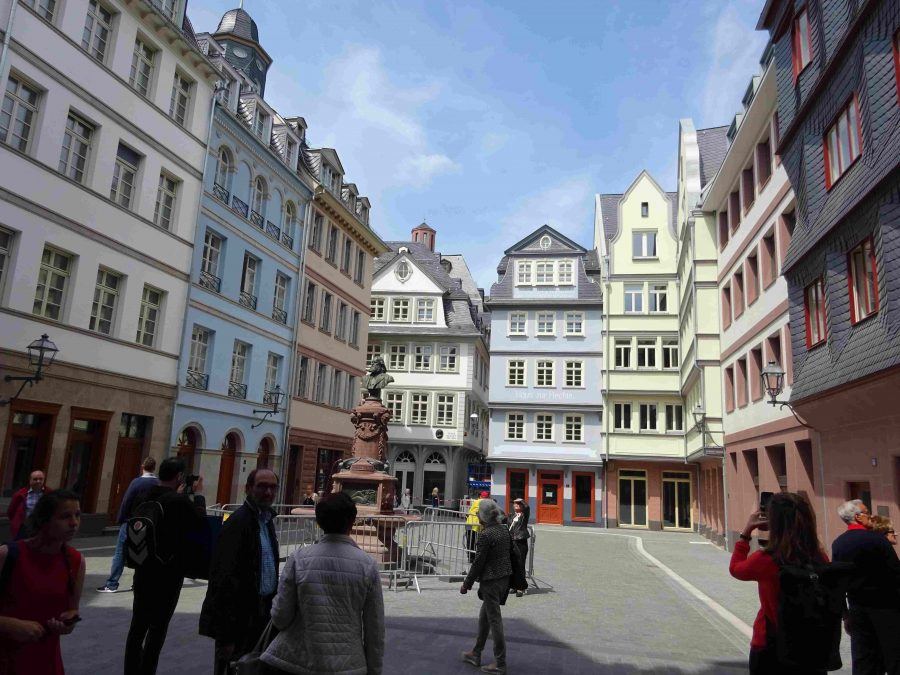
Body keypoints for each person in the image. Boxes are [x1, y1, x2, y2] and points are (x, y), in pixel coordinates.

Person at [261, 492, 384, 675]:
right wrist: (374, 669)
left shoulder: (298, 559)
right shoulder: (368, 565)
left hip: (298, 661)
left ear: (319, 522)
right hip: (348, 663)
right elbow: (375, 628)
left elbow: (281, 617)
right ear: (352, 522)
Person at [729, 492, 830, 674]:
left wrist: (746, 533)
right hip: (811, 644)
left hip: (771, 643)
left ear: (773, 524)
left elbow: (736, 569)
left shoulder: (767, 559)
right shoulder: (819, 558)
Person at [124, 457, 206, 675]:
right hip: (168, 572)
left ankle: (130, 670)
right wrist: (198, 495)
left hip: (142, 568)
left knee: (137, 626)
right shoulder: (178, 502)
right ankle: (147, 670)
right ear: (179, 477)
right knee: (157, 628)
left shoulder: (145, 495)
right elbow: (200, 523)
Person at [200, 469, 280, 675]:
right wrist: (226, 636)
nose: (268, 492)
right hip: (238, 619)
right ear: (248, 488)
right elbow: (222, 579)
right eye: (262, 486)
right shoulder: (238, 523)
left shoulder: (266, 521)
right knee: (232, 668)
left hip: (260, 614)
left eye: (272, 487)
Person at [0, 489, 85, 675]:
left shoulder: (75, 561)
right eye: (65, 516)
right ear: (45, 520)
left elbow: (73, 609)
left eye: (77, 515)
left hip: (46, 662)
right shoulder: (9, 555)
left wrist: (68, 623)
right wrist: (9, 624)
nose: (74, 523)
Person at [832, 500, 900, 675]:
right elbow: (896, 573)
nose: (870, 516)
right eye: (866, 512)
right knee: (894, 657)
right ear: (858, 517)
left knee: (864, 659)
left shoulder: (839, 544)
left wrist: (845, 614)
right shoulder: (877, 540)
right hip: (887, 608)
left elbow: (837, 582)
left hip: (857, 609)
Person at [460, 498, 512, 675]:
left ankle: (500, 663)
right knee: (485, 617)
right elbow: (514, 553)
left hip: (490, 581)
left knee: (495, 620)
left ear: (483, 517)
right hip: (504, 579)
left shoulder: (486, 535)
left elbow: (478, 563)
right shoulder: (504, 530)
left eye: (478, 514)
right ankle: (476, 652)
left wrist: (466, 584)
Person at [97, 457, 159, 593]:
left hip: (131, 521)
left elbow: (127, 501)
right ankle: (138, 583)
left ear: (143, 466)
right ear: (154, 467)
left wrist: (121, 518)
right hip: (148, 524)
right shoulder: (157, 484)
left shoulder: (136, 483)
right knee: (142, 553)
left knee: (120, 551)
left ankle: (112, 583)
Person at [6, 470, 49, 540]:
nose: (38, 481)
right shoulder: (20, 494)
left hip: (41, 528)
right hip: (23, 527)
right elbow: (11, 511)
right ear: (30, 480)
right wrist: (16, 522)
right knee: (20, 547)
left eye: (41, 479)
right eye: (35, 479)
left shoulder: (49, 493)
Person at [508, 498, 530, 598]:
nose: (516, 505)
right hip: (512, 542)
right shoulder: (512, 516)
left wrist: (521, 500)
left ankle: (521, 587)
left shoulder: (524, 515)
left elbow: (527, 507)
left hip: (520, 542)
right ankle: (513, 585)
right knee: (512, 564)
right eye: (515, 504)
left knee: (520, 564)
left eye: (518, 504)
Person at [466, 491, 489, 563]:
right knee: (476, 540)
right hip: (476, 524)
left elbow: (469, 512)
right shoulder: (484, 503)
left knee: (469, 540)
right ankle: (475, 557)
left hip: (468, 523)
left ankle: (470, 557)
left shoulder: (475, 501)